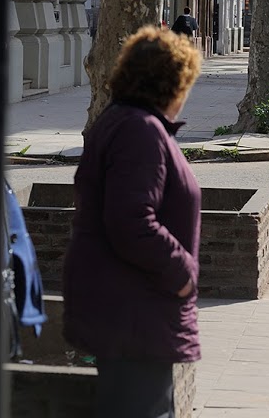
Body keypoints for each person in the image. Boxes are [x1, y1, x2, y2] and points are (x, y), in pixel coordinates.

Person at [63, 26, 202, 418]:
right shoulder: (140, 131)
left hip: (127, 313)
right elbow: (131, 221)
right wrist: (183, 273)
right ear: (172, 83)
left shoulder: (124, 121)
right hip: (134, 315)